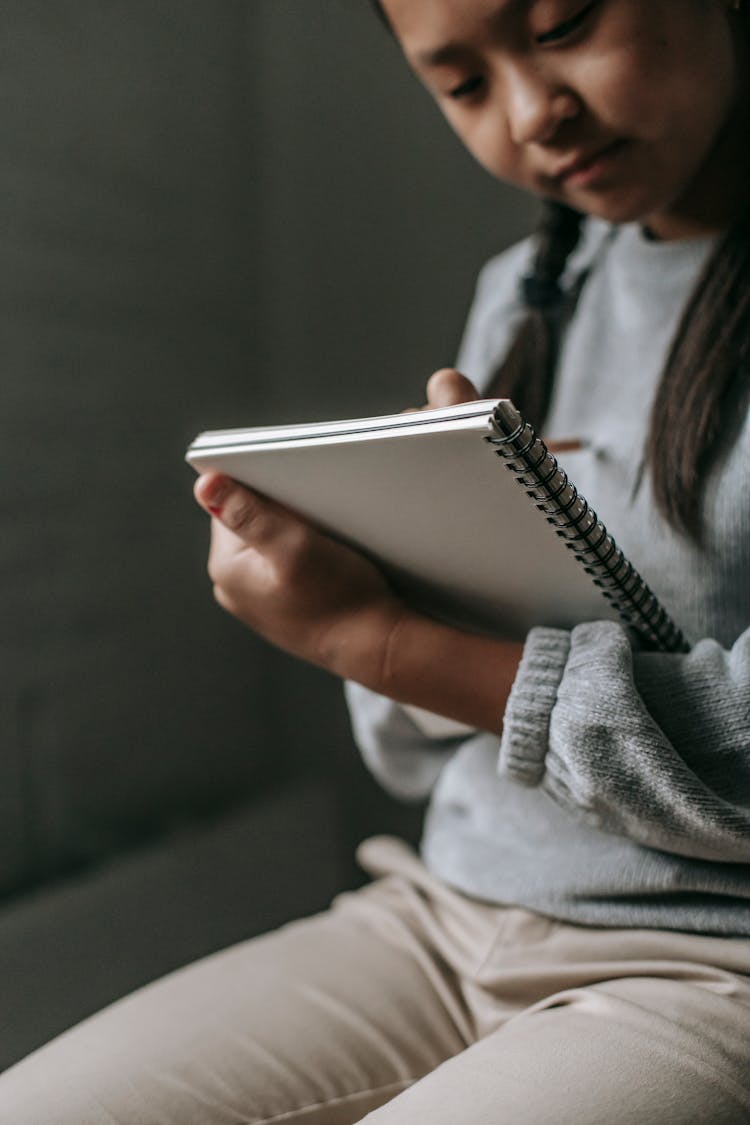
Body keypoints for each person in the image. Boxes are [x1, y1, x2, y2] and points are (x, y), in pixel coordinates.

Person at [2, 0, 750, 1121]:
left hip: (708, 964)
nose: (533, 112)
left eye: (562, 24)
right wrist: (394, 572)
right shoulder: (530, 290)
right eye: (461, 84)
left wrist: (384, 641)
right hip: (447, 912)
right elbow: (418, 751)